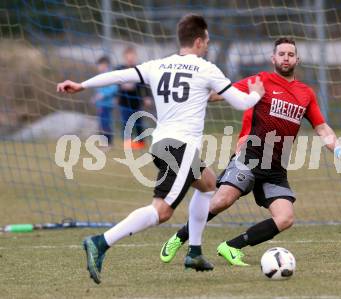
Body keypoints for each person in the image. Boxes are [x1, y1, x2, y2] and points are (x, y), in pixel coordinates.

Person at [56, 14, 265, 284]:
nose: (208, 45)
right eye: (208, 41)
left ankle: (195, 252)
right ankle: (101, 241)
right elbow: (242, 103)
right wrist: (257, 92)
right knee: (162, 211)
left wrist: (83, 84)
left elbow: (119, 75)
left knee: (209, 184)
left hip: (161, 144)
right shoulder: (206, 68)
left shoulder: (159, 65)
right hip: (182, 149)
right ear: (200, 40)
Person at [160, 37, 341, 266]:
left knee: (285, 218)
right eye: (281, 54)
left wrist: (339, 151)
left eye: (290, 54)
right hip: (250, 158)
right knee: (220, 201)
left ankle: (231, 246)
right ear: (273, 58)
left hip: (275, 169)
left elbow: (322, 128)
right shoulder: (260, 81)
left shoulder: (306, 94)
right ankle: (179, 238)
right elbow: (222, 93)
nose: (286, 57)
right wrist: (191, 97)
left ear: (297, 59)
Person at [117, 46, 153, 150]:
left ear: (135, 56)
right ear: (124, 57)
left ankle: (140, 143)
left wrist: (147, 97)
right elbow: (114, 82)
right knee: (125, 122)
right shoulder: (119, 69)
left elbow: (145, 84)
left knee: (138, 122)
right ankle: (127, 143)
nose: (130, 58)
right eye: (128, 55)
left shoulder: (139, 69)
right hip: (124, 101)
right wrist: (117, 93)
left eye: (132, 55)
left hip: (136, 101)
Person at [91, 56, 118, 148]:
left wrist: (103, 94)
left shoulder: (110, 75)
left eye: (100, 65)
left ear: (105, 65)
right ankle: (105, 143)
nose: (99, 67)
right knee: (101, 123)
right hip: (101, 104)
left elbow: (114, 88)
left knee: (105, 123)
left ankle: (108, 143)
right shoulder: (100, 75)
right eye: (98, 65)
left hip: (107, 104)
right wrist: (95, 98)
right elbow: (98, 90)